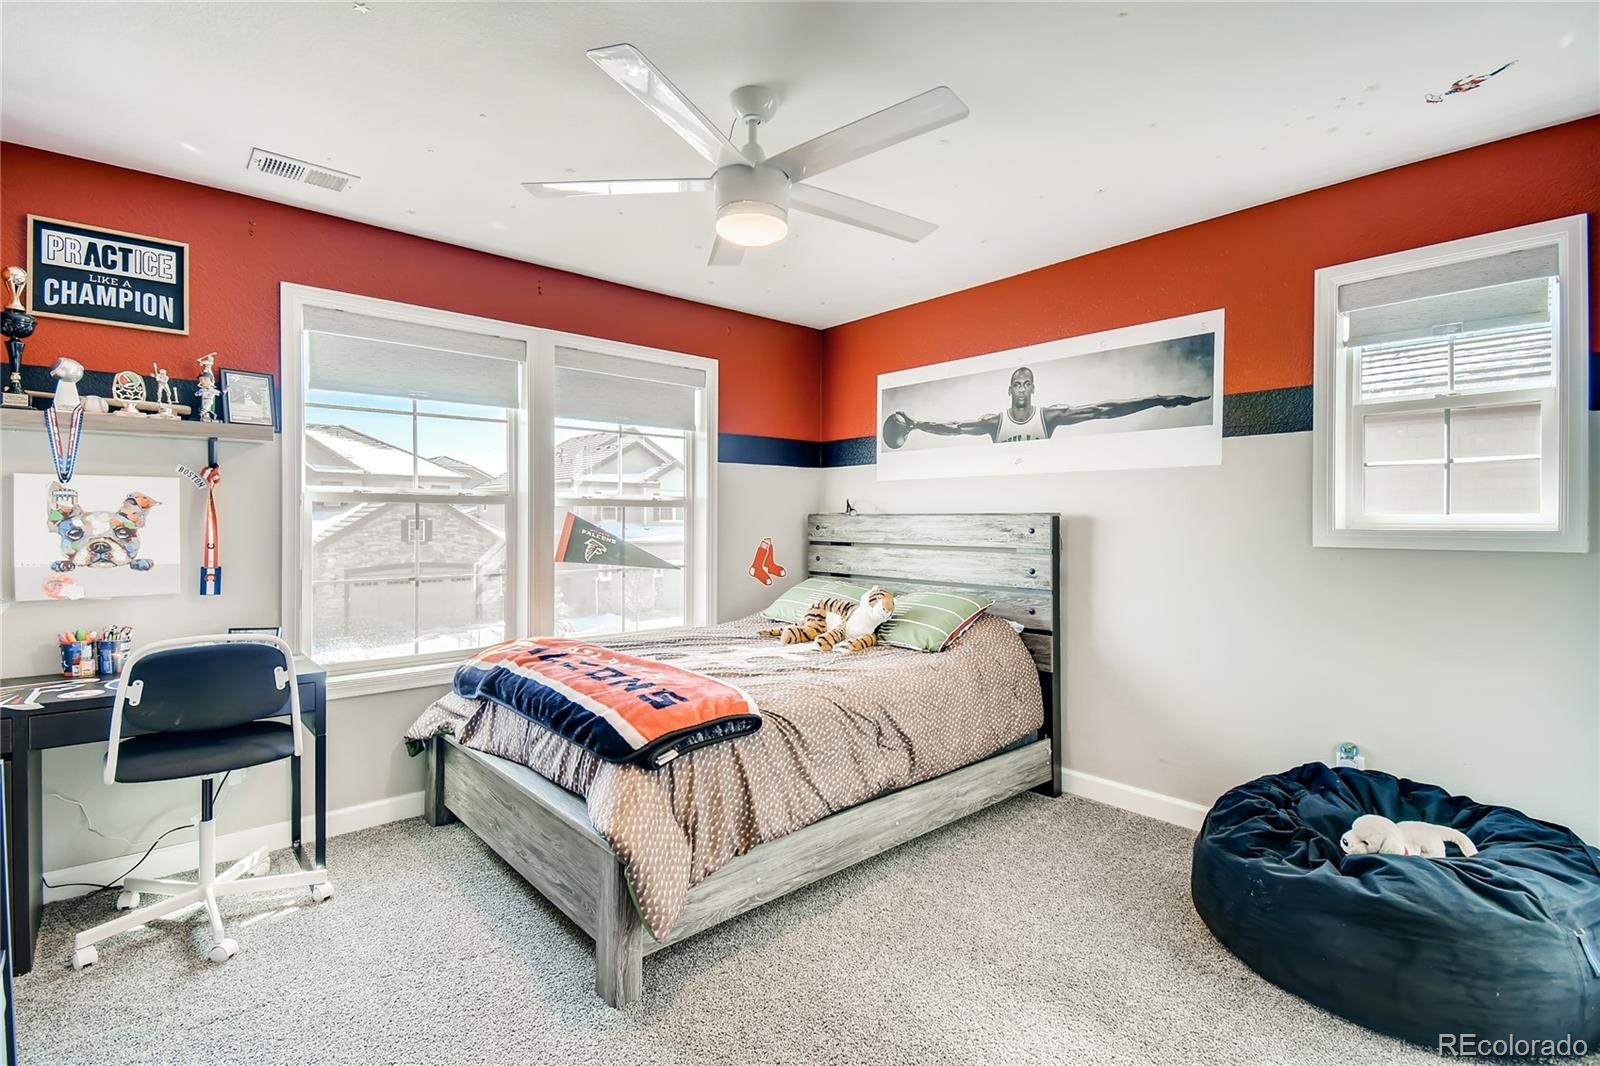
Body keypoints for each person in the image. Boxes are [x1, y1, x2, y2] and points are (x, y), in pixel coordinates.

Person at [887, 365, 1208, 446]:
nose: (1022, 388)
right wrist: (916, 425)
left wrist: (1156, 401)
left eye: (1027, 383)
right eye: (1017, 384)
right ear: (1009, 389)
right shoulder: (995, 422)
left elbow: (1102, 410)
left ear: (1033, 388)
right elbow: (955, 428)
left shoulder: (1049, 416)